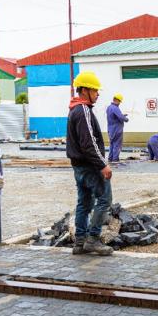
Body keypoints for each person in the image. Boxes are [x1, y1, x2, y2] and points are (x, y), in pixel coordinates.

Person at [66, 71, 114, 256]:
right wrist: (103, 165)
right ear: (84, 90)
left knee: (84, 203)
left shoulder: (74, 109)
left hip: (79, 166)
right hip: (90, 166)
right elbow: (89, 143)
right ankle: (93, 239)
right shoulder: (83, 110)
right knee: (104, 199)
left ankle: (79, 242)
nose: (97, 94)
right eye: (95, 90)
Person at [106, 93, 129, 163]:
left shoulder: (109, 107)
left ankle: (110, 158)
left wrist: (122, 115)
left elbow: (114, 116)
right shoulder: (115, 108)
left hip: (110, 129)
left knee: (112, 144)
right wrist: (126, 119)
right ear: (117, 100)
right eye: (119, 101)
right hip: (117, 130)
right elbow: (121, 117)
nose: (119, 103)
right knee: (117, 145)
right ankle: (115, 159)